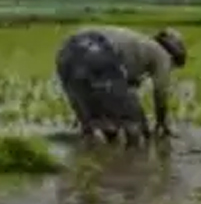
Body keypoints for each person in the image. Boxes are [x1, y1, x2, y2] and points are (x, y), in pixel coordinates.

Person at [54, 26, 187, 144]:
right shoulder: (161, 54)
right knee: (136, 128)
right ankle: (133, 164)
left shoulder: (138, 45)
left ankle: (88, 160)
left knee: (98, 125)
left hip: (67, 51)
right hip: (97, 50)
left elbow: (119, 83)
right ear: (173, 56)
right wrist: (161, 122)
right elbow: (160, 92)